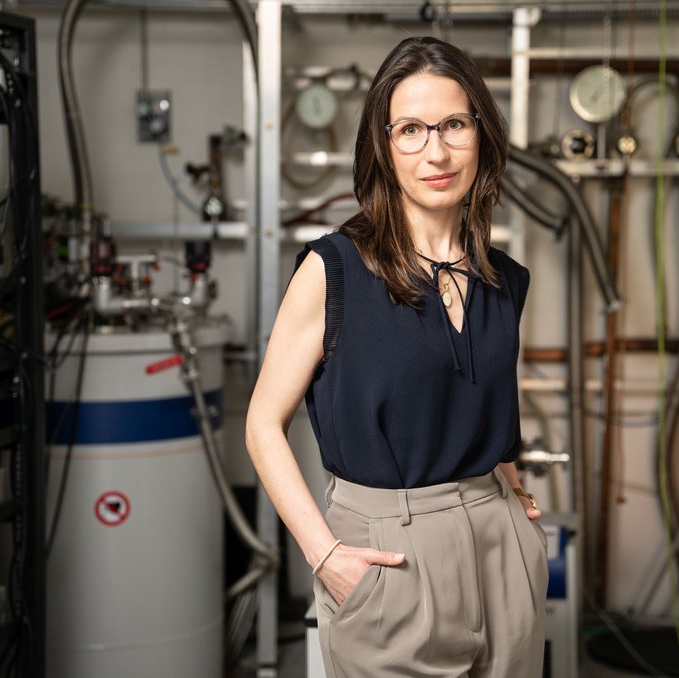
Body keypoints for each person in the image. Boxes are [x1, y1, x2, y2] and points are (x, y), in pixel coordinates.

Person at [245, 36, 546, 677]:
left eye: (454, 125)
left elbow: (477, 397)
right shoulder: (335, 270)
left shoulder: (507, 279)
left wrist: (508, 481)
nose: (435, 151)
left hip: (501, 544)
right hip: (390, 553)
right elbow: (261, 424)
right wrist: (324, 553)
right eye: (410, 129)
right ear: (382, 147)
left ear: (482, 136)